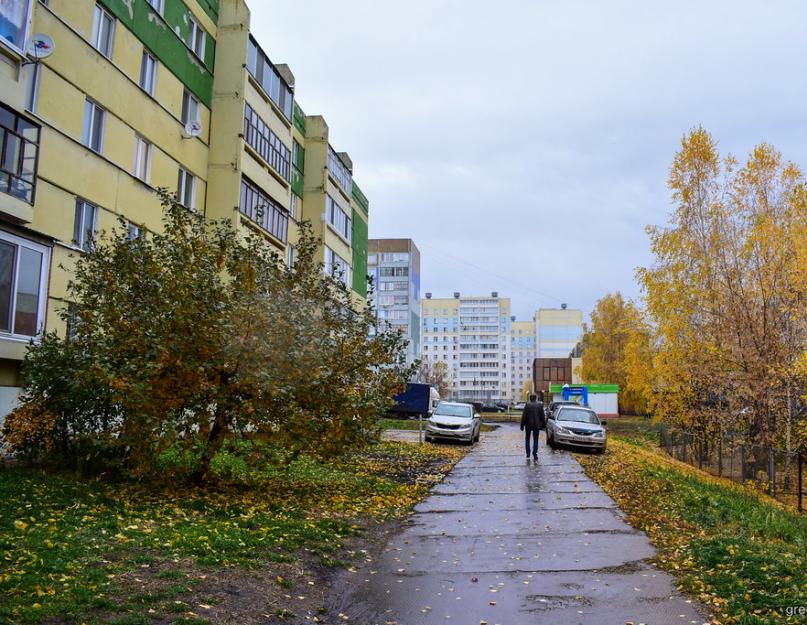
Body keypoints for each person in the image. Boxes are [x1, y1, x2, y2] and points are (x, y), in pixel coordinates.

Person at [520, 393, 546, 459]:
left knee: (527, 439)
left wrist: (522, 425)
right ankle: (535, 454)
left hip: (528, 425)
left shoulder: (527, 405)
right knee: (536, 440)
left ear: (530, 398)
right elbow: (542, 416)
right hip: (537, 425)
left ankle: (528, 453)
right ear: (536, 398)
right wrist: (544, 425)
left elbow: (524, 416)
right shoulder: (539, 405)